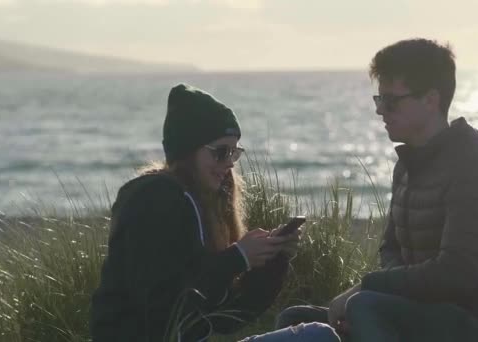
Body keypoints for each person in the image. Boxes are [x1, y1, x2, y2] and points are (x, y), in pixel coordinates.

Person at [276, 39, 478, 342]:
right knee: (297, 320)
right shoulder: (409, 162)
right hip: (426, 313)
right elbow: (392, 249)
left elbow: (458, 273)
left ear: (431, 99)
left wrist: (367, 288)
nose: (381, 111)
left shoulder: (472, 161)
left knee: (363, 307)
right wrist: (384, 297)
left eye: (391, 101)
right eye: (378, 99)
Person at [90, 84, 340, 342]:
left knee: (316, 334)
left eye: (234, 153)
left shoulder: (199, 204)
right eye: (220, 152)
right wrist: (238, 257)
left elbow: (229, 318)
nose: (229, 163)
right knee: (317, 336)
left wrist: (274, 260)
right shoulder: (154, 200)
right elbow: (164, 308)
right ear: (188, 150)